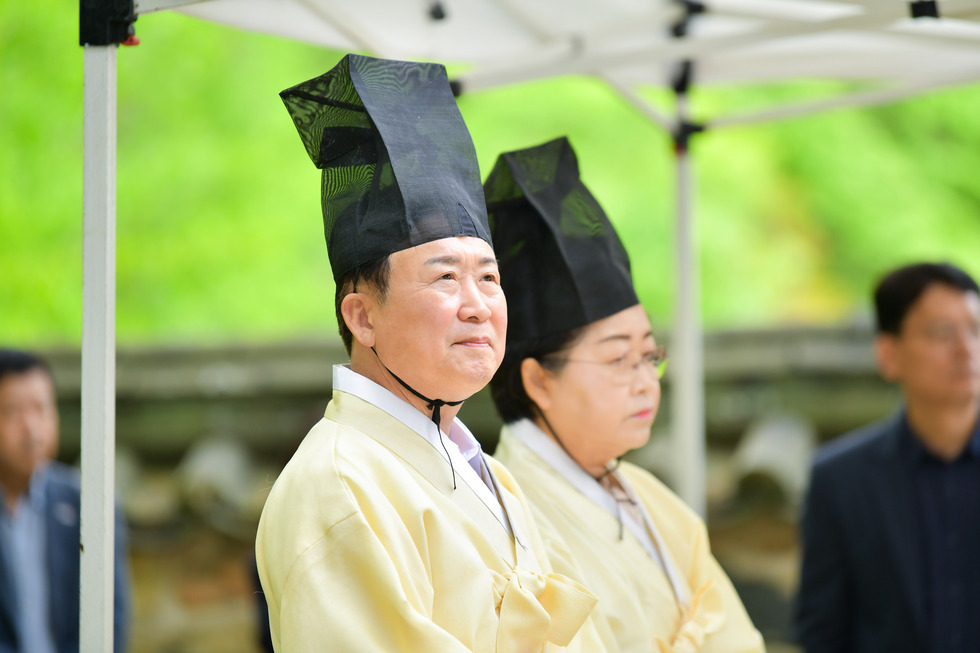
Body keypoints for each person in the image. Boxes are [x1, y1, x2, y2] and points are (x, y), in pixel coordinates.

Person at [255, 55, 600, 652]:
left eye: (489, 279)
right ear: (362, 316)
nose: (477, 305)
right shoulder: (338, 484)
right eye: (445, 279)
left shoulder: (491, 477)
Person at [486, 137, 765, 653]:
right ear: (538, 381)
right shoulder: (508, 520)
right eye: (618, 359)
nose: (645, 380)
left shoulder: (644, 492)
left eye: (648, 355)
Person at [795, 262, 980, 653]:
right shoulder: (840, 481)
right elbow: (822, 632)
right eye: (942, 332)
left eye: (976, 330)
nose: (966, 348)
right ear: (889, 354)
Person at [0, 349, 130, 653]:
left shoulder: (90, 505)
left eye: (41, 408)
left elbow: (111, 617)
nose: (31, 428)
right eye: (12, 411)